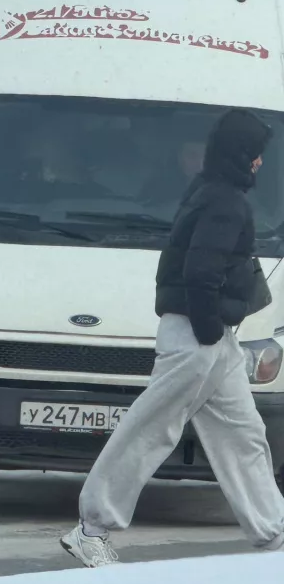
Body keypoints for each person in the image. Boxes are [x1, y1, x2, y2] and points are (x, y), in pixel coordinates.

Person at [61, 108, 284, 567]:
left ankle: (274, 535)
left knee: (245, 434)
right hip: (197, 334)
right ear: (242, 155)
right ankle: (92, 527)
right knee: (152, 428)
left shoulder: (209, 191)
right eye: (257, 154)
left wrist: (215, 332)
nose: (261, 163)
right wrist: (207, 331)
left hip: (211, 336)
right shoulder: (226, 202)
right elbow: (200, 272)